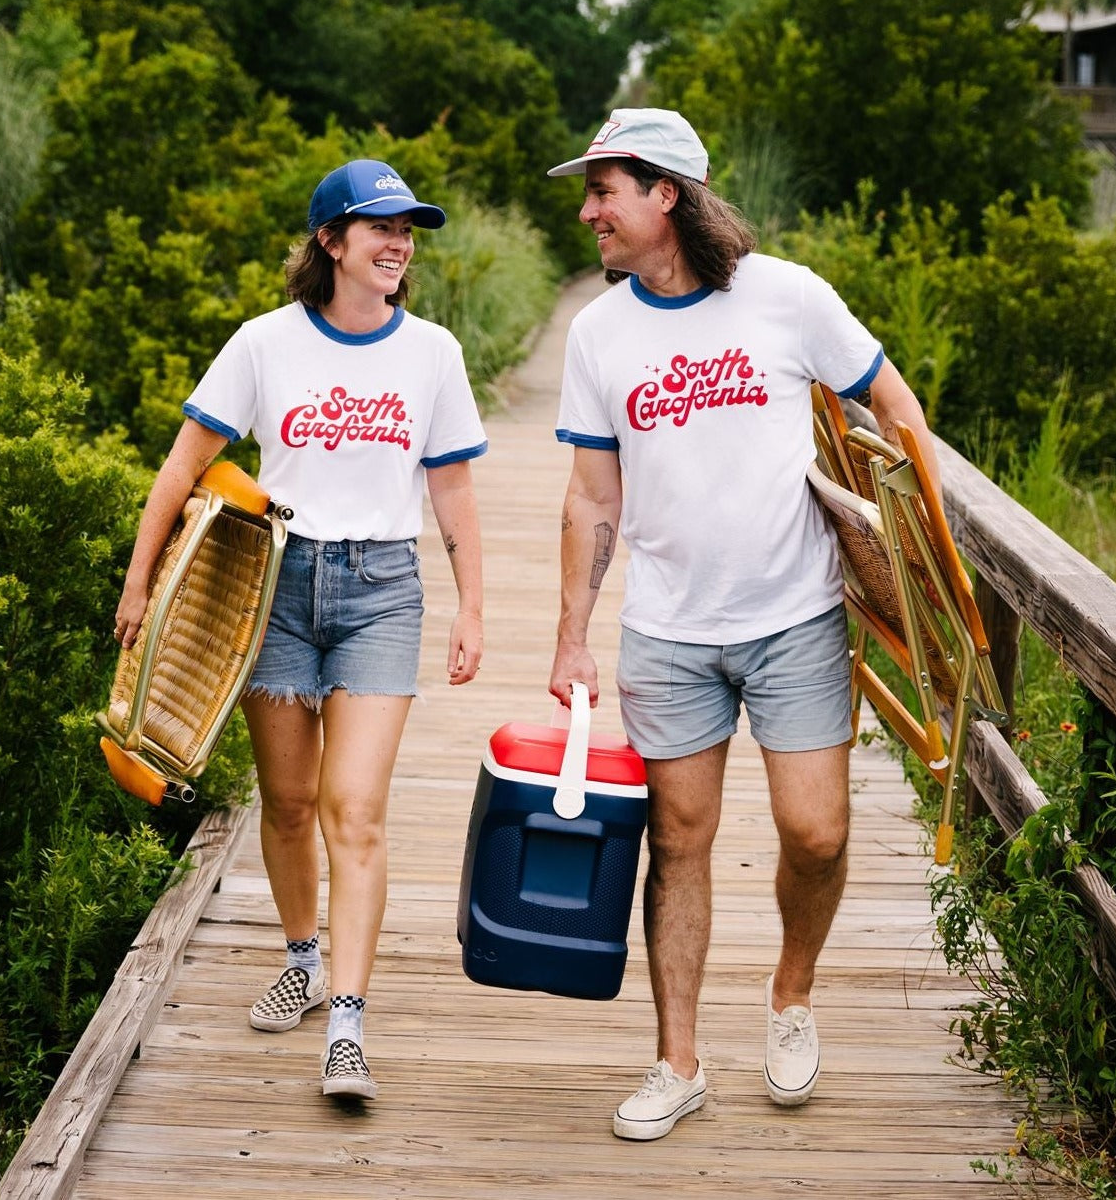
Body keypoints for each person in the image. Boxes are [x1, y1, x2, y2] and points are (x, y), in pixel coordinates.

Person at [545, 109, 940, 1141]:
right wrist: (571, 631)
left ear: (663, 195)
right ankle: (676, 1060)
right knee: (677, 843)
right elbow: (591, 496)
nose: (588, 211)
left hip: (796, 614)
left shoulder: (784, 295)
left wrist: (918, 557)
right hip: (668, 629)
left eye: (603, 191)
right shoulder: (599, 333)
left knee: (818, 831)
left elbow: (894, 409)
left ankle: (790, 992)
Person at [114, 158, 486, 1102]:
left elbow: (451, 486)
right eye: (380, 226)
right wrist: (137, 581)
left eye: (409, 229)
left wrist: (472, 604)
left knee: (351, 808)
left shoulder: (431, 352)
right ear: (330, 241)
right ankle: (301, 953)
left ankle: (349, 1027)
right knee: (286, 802)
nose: (400, 243)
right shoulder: (264, 344)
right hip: (269, 588)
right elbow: (183, 464)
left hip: (380, 589)